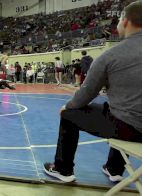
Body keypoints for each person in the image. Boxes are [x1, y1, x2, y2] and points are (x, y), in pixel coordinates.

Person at [44, 1, 142, 183]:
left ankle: (62, 169)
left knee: (70, 113)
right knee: (121, 109)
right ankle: (114, 168)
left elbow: (87, 93)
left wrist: (68, 106)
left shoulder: (111, 55)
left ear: (126, 21)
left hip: (129, 127)